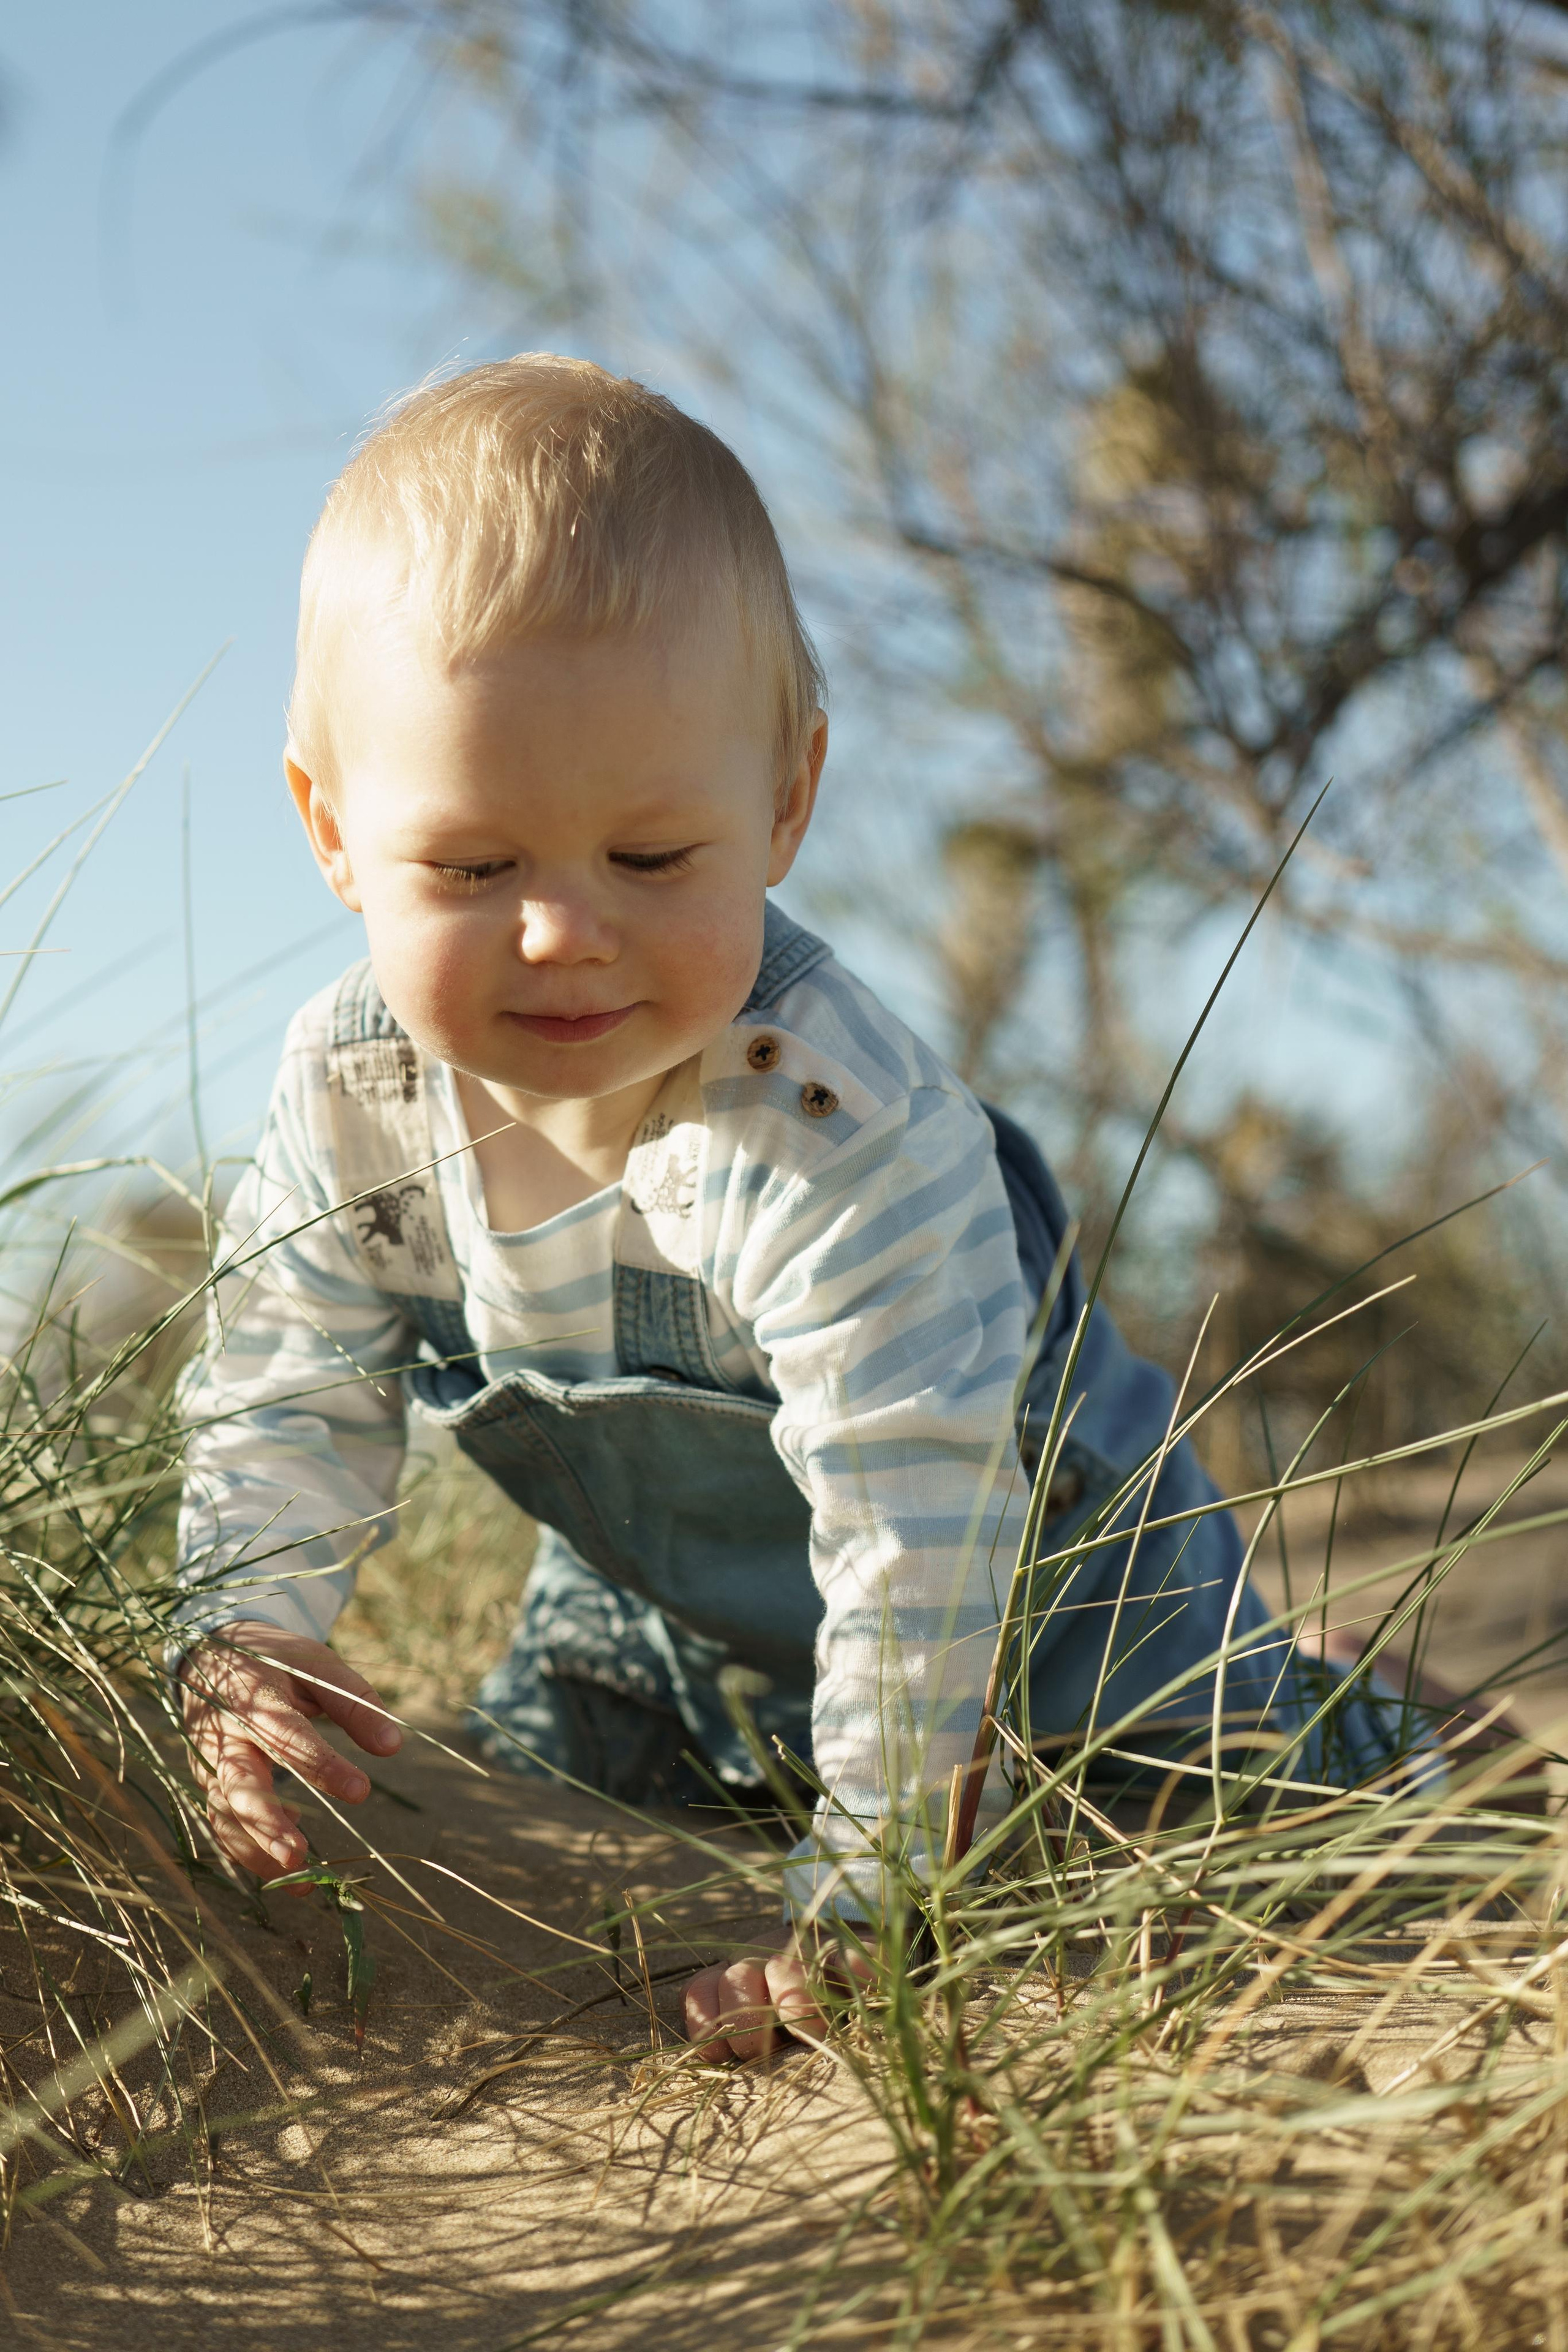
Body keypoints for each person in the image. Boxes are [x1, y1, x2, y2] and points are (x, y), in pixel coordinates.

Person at [174, 355, 1415, 2063]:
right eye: (474, 867)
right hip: (664, 1626)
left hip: (1037, 1599)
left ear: (784, 803)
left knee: (1235, 1807)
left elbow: (917, 1536)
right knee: (475, 1806)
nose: (561, 930)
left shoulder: (829, 1125)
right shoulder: (352, 1092)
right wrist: (241, 1631)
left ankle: (1372, 1706)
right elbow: (283, 1387)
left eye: (653, 859)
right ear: (332, 831)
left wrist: (870, 1900)